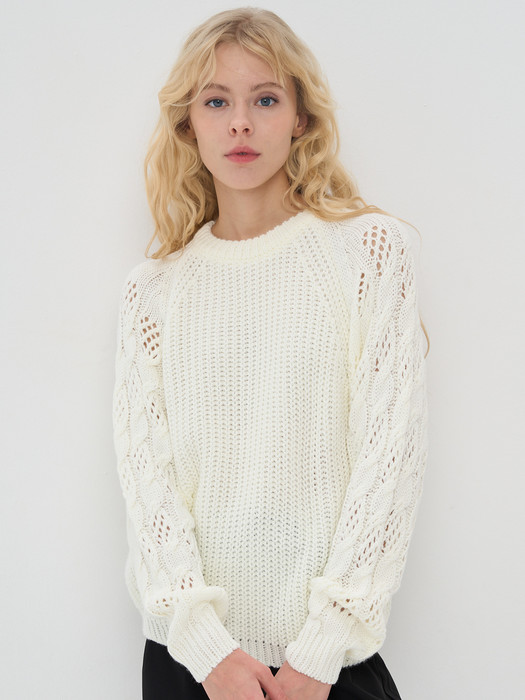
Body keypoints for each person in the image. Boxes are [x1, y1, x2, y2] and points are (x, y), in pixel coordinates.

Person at [112, 7, 428, 700]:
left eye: (264, 100)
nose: (240, 124)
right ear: (187, 125)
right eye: (215, 102)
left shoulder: (369, 255)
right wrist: (207, 651)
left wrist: (320, 651)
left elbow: (389, 461)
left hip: (325, 668)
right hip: (191, 665)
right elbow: (147, 486)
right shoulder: (154, 292)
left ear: (300, 119)